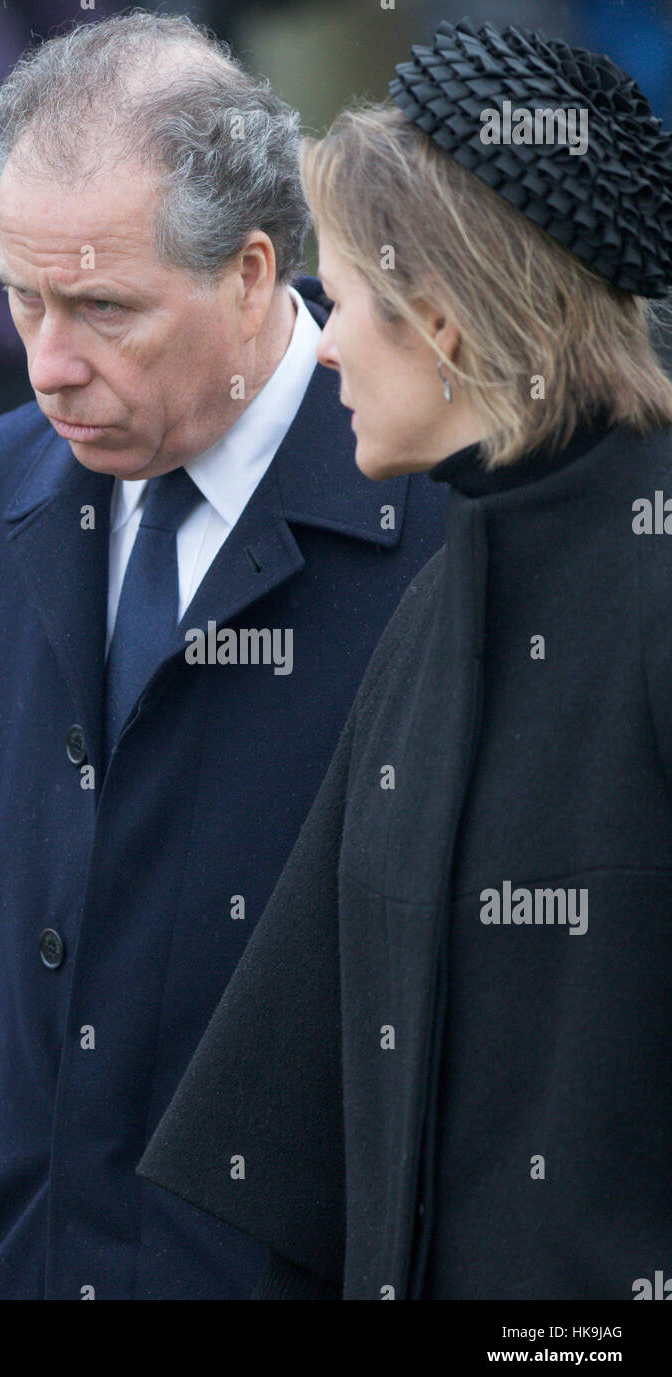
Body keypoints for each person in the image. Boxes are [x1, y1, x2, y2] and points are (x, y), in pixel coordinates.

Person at [0, 13, 446, 1300]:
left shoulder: (442, 531)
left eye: (104, 309)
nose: (50, 365)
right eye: (22, 299)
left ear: (249, 273)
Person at [138, 17, 672, 1300]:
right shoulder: (443, 602)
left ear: (442, 317)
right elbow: (306, 1125)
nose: (321, 341)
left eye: (351, 300)